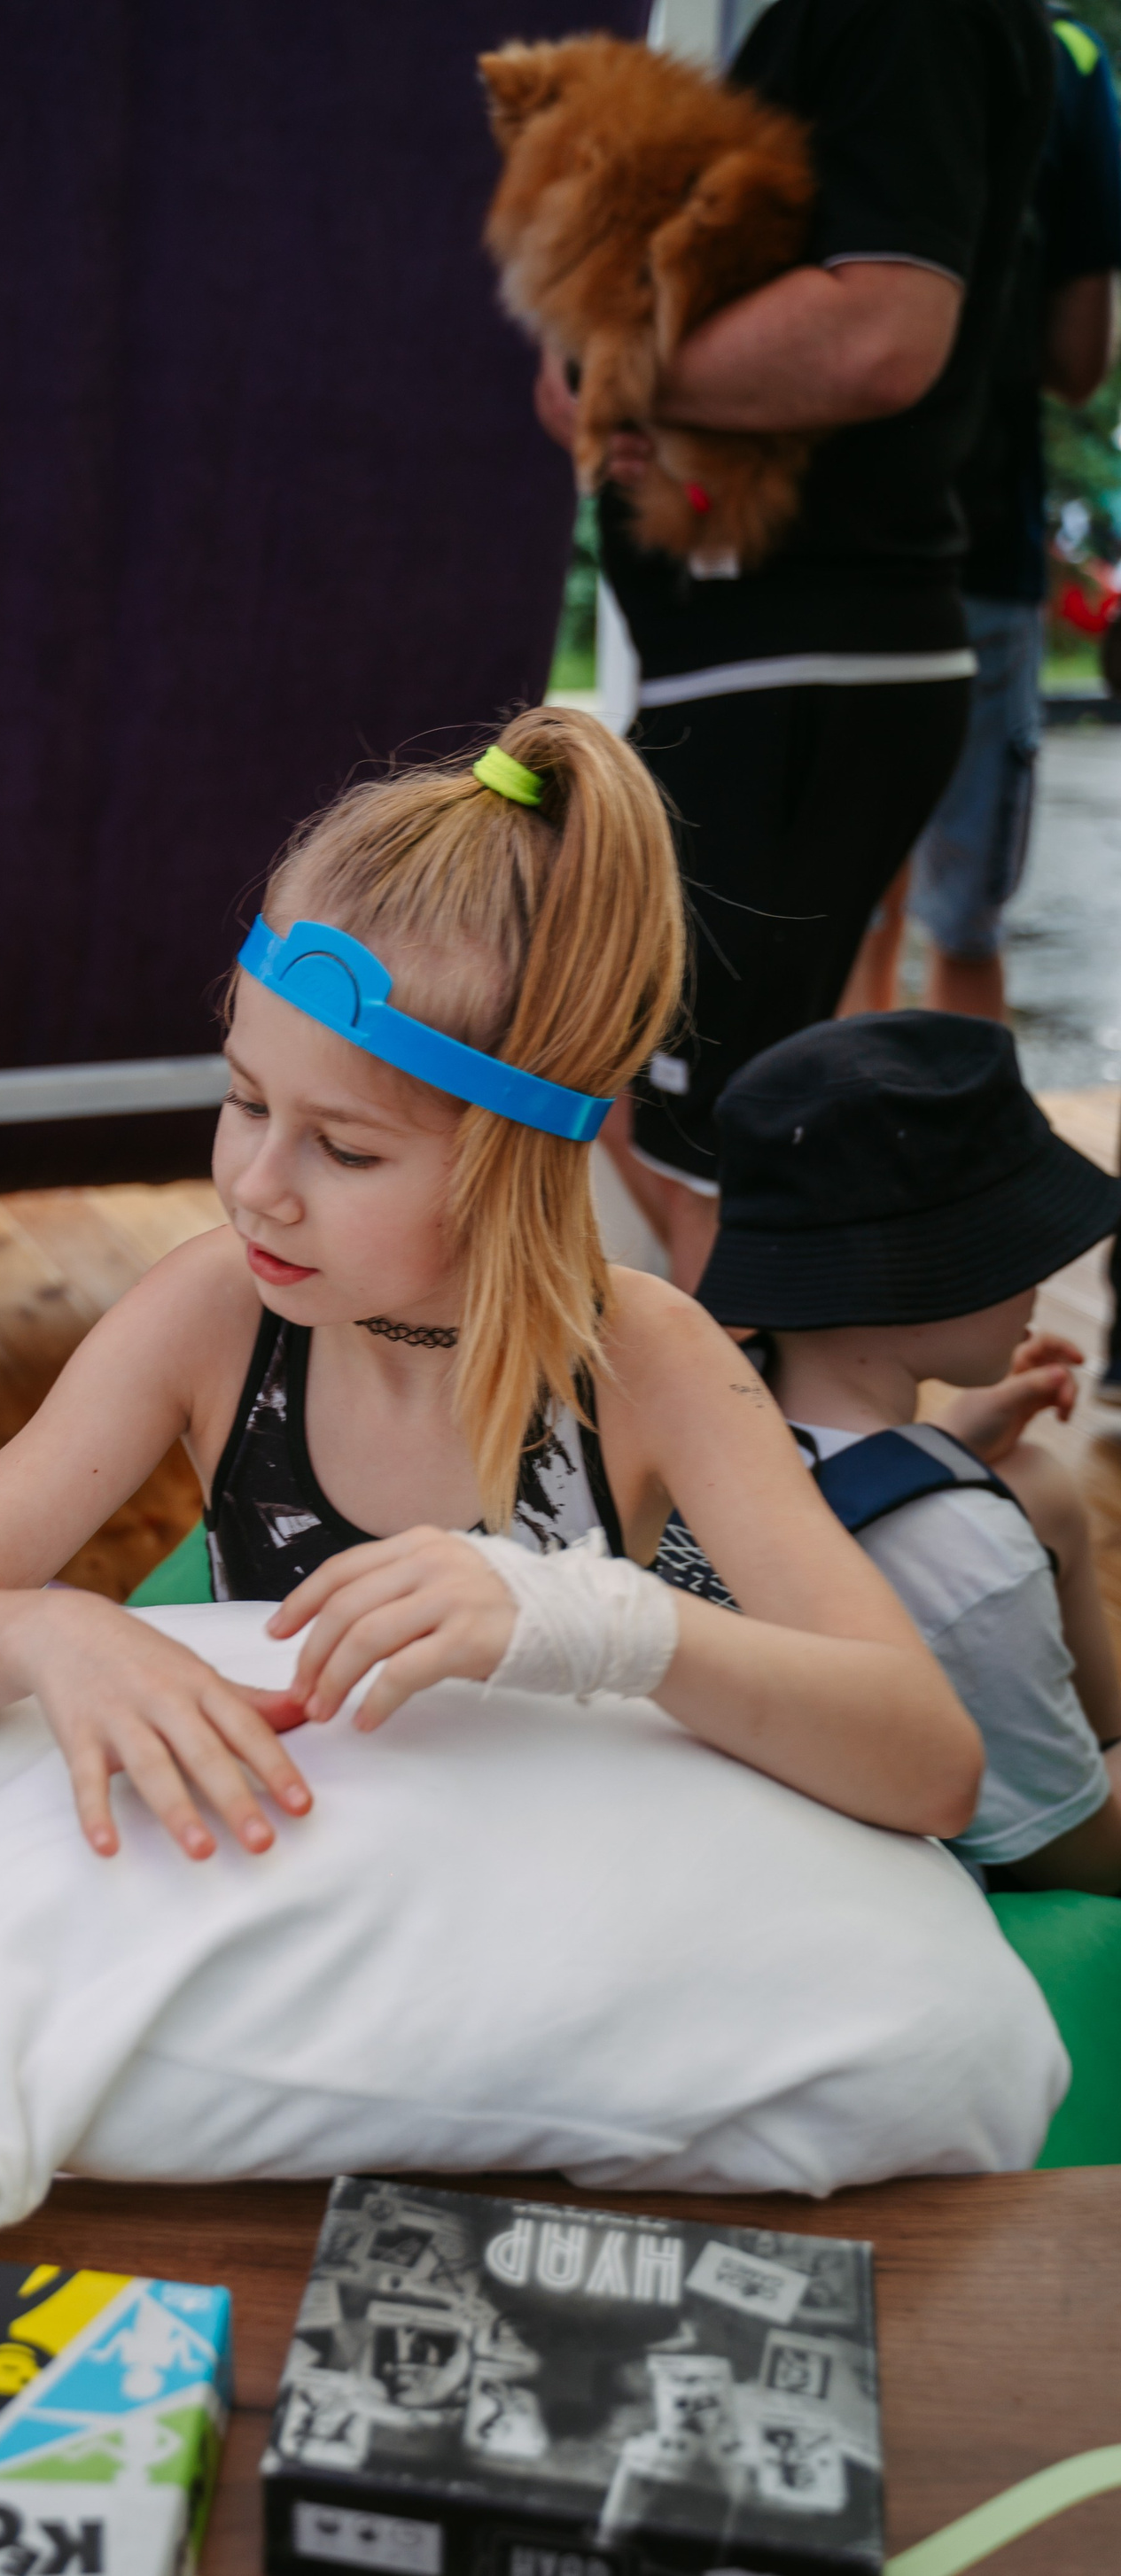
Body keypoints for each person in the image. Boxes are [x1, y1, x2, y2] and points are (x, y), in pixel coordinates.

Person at [0, 708, 982, 1863]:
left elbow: (932, 1768)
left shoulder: (647, 1358)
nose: (257, 1188)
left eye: (345, 1150)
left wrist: (606, 1627)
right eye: (246, 1100)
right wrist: (52, 1633)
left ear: (513, 1161)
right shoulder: (214, 1311)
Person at [534, 0, 1055, 1290]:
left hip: (801, 663)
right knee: (625, 1080)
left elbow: (883, 332)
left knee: (705, 1156)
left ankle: (785, 1404)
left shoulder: (900, 19)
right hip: (758, 664)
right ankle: (807, 1377)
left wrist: (614, 373)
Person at [692, 1009, 1121, 1892]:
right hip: (941, 1891)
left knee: (1034, 1481)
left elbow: (816, 1509)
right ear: (930, 1269)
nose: (1042, 1276)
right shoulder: (965, 1557)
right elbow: (1075, 1855)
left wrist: (945, 1447)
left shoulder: (701, 1412)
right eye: (1021, 1243)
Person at [844, 7, 1121, 1020]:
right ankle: (958, 1123)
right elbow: (1079, 360)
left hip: (835, 545)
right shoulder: (1064, 56)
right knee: (964, 928)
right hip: (981, 539)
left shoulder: (831, 31)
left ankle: (846, 1117)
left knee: (850, 905)